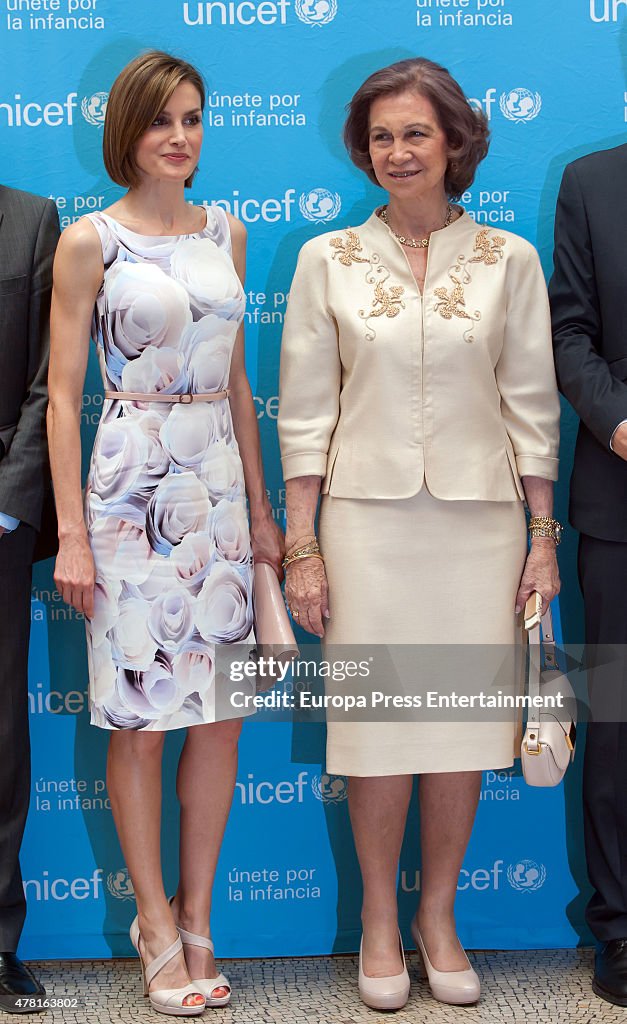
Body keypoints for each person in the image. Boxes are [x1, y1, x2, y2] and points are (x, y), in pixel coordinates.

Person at [278, 57, 561, 1011]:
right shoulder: (327, 258)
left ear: (454, 143)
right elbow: (306, 416)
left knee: (454, 730)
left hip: (480, 528)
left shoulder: (508, 259)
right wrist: (303, 544)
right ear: (363, 150)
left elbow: (531, 409)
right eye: (382, 136)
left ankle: (438, 917)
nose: (398, 151)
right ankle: (376, 922)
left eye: (416, 133)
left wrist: (541, 536)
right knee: (375, 730)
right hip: (364, 527)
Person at [47, 51, 282, 1015]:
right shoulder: (87, 241)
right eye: (160, 121)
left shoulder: (225, 232)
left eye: (192, 118)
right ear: (125, 132)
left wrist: (263, 516)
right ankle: (151, 922)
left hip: (219, 485)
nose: (179, 136)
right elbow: (62, 396)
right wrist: (71, 533)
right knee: (141, 721)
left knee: (219, 720)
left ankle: (199, 922)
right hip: (125, 483)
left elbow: (235, 381)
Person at [550, 145, 627, 1007]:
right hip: (621, 491)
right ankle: (620, 926)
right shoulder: (591, 182)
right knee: (615, 726)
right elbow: (568, 330)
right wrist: (619, 426)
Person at [0, 185, 60, 1013]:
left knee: (1, 736)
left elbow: (52, 380)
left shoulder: (30, 219)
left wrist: (9, 502)